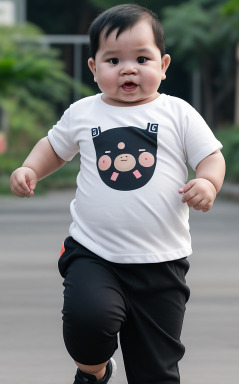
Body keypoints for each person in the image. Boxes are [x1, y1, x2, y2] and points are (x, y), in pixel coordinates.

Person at [10, 4, 225, 384]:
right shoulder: (83, 113)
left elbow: (210, 156)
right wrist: (30, 168)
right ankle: (94, 370)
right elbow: (53, 147)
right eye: (113, 60)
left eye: (142, 58)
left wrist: (207, 182)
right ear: (94, 68)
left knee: (155, 369)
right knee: (87, 322)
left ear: (164, 64)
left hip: (162, 262)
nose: (128, 68)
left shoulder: (178, 113)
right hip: (95, 252)